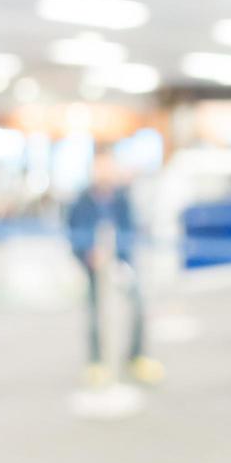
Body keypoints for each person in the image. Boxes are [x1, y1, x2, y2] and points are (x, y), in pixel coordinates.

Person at [67, 146, 163, 388]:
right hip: (92, 267)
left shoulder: (122, 198)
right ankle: (97, 362)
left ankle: (136, 356)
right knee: (95, 313)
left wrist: (119, 258)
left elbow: (130, 231)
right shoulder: (81, 201)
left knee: (138, 305)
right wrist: (88, 255)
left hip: (121, 264)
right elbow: (74, 233)